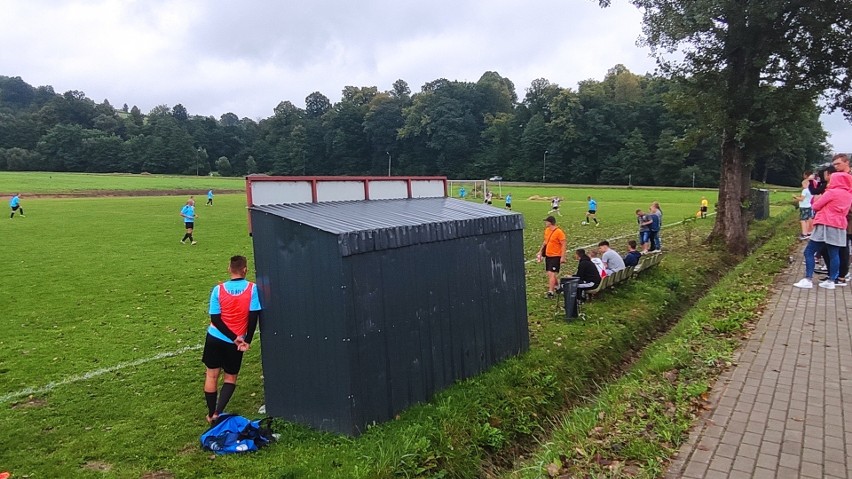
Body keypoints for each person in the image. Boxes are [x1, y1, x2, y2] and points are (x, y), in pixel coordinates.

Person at [202, 255, 262, 424]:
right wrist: (244, 340)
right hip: (234, 344)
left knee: (211, 376)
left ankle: (210, 412)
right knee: (230, 378)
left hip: (215, 337)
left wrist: (231, 337)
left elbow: (215, 318)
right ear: (245, 270)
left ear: (229, 269)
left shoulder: (218, 289)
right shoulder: (253, 289)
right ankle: (218, 413)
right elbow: (253, 316)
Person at [793, 165, 852, 290]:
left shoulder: (831, 192)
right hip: (840, 225)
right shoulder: (848, 194)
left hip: (825, 223)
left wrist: (818, 200)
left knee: (809, 251)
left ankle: (808, 279)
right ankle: (831, 281)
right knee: (834, 253)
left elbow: (815, 206)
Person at [536, 215, 566, 298]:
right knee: (550, 273)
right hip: (548, 255)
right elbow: (545, 242)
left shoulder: (559, 232)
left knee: (551, 273)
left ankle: (551, 291)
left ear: (550, 222)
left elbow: (563, 244)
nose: (545, 223)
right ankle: (558, 286)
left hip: (556, 255)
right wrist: (540, 251)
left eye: (546, 221)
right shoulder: (547, 230)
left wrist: (563, 256)